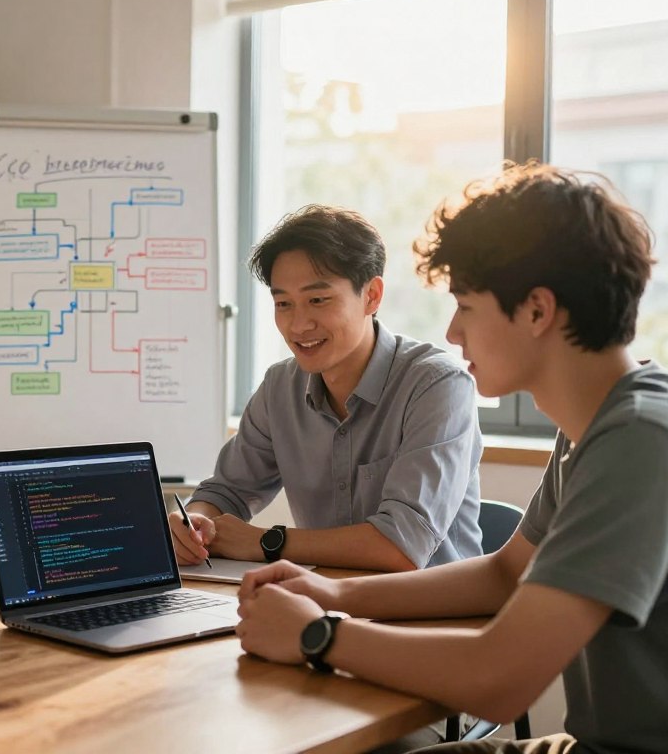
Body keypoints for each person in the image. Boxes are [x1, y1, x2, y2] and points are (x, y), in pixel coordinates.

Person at [236, 163, 668, 754]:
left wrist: (317, 633)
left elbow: (500, 680)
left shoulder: (642, 439)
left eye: (466, 305)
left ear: (537, 311)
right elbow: (504, 574)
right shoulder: (595, 427)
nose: (452, 331)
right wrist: (336, 595)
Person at [172, 205, 483, 572]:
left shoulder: (437, 386)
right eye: (283, 303)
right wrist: (193, 523)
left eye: (318, 300)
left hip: (435, 617)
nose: (299, 324)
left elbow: (401, 545)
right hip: (322, 605)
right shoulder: (279, 388)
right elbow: (225, 492)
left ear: (372, 296)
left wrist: (264, 542)